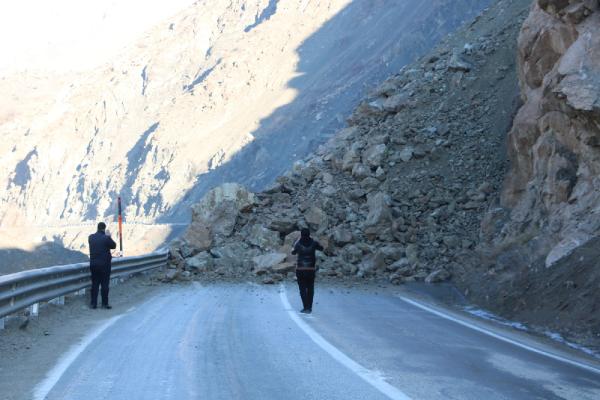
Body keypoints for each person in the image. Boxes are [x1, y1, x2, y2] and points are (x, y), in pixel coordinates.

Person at [291, 228, 324, 314]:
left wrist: (297, 240)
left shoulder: (298, 244)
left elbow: (293, 252)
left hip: (300, 269)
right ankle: (309, 308)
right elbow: (322, 248)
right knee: (310, 288)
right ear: (309, 234)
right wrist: (314, 240)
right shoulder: (314, 243)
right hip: (311, 269)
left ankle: (305, 307)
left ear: (301, 235)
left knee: (302, 289)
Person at [88, 222, 117, 309]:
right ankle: (104, 304)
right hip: (104, 265)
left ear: (97, 228)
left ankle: (93, 304)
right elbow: (114, 246)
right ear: (104, 229)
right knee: (104, 285)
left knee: (95, 284)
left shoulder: (91, 237)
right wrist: (108, 236)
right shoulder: (106, 238)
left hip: (93, 265)